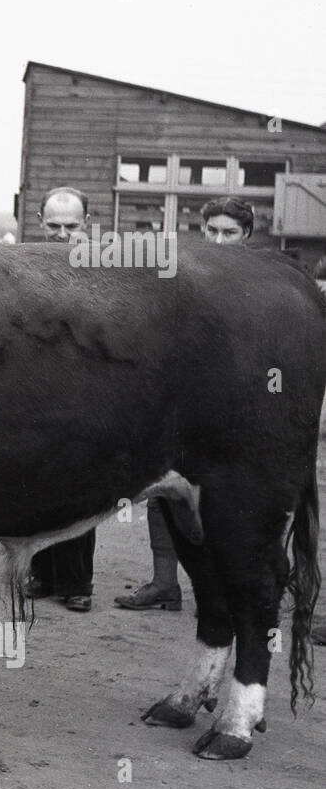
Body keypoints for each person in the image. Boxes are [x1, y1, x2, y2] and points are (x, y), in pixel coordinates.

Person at [115, 197, 254, 612]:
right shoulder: (184, 276)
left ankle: (227, 588)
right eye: (211, 230)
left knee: (226, 497)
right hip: (182, 399)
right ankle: (164, 583)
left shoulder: (257, 283)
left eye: (229, 233)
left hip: (237, 404)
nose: (218, 239)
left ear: (246, 236)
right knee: (165, 485)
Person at [26, 187, 97, 611]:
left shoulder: (106, 271)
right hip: (33, 393)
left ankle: (76, 584)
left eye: (71, 226)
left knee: (82, 488)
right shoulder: (24, 266)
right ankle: (43, 575)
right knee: (38, 485)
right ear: (39, 222)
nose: (62, 234)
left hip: (85, 394)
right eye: (54, 226)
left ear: (86, 225)